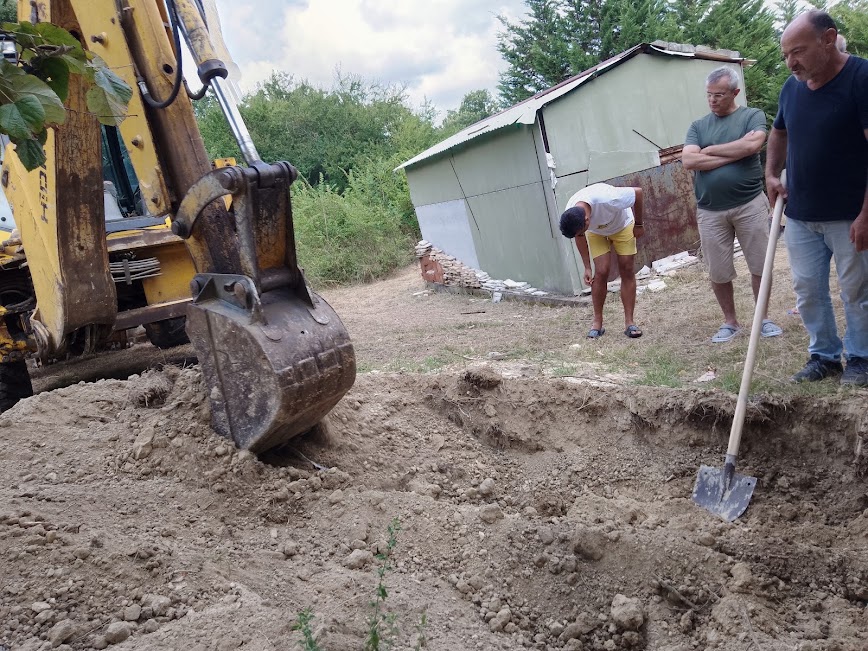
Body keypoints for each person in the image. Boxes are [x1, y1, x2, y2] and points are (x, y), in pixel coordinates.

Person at [766, 10, 868, 386]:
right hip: (801, 213)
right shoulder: (791, 88)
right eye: (786, 55)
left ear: (828, 39)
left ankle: (861, 358)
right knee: (808, 290)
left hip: (850, 213)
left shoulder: (861, 78)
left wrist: (866, 214)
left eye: (798, 51)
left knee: (857, 291)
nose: (791, 62)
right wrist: (770, 174)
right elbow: (778, 132)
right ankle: (824, 356)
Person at [682, 66, 784, 343]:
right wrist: (734, 152)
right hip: (710, 210)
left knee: (760, 265)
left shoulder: (752, 116)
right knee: (718, 269)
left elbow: (753, 146)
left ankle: (762, 319)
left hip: (749, 204)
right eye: (709, 95)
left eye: (719, 95)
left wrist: (712, 150)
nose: (713, 100)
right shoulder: (698, 126)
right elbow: (689, 160)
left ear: (735, 92)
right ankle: (730, 322)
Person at [559, 184, 644, 339]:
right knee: (601, 271)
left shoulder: (609, 198)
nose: (580, 235)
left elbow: (638, 193)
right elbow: (579, 236)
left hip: (622, 226)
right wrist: (586, 267)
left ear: (586, 220)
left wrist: (638, 224)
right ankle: (597, 322)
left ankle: (629, 323)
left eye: (581, 232)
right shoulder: (572, 211)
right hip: (596, 232)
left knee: (626, 268)